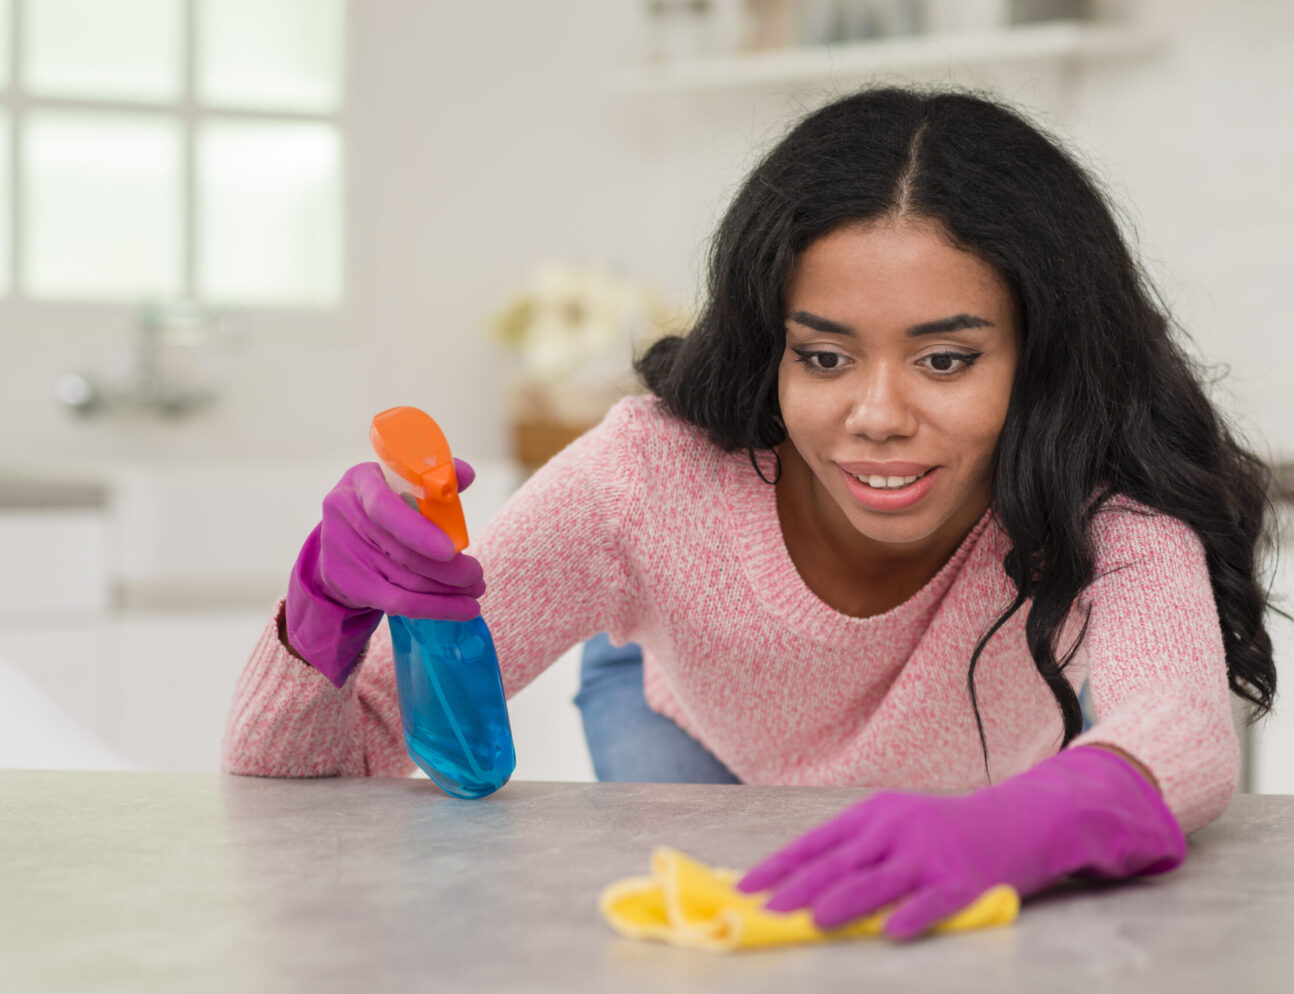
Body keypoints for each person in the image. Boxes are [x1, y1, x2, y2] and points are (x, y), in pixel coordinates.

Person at [223, 85, 1281, 941]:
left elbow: (1179, 732)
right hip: (690, 723)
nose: (876, 416)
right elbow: (326, 768)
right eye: (823, 356)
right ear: (770, 344)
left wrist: (1008, 831)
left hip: (986, 784)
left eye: (945, 359)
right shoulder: (646, 477)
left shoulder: (1102, 502)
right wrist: (319, 613)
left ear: (1040, 359)